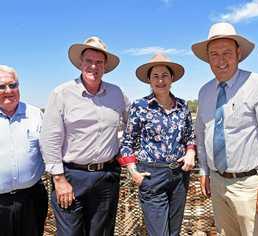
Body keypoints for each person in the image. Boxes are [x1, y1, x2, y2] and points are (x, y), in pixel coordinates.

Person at [192, 22, 258, 235]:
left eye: (227, 52)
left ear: (238, 53)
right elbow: (202, 133)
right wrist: (205, 170)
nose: (221, 60)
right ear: (208, 59)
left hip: (250, 185)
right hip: (217, 182)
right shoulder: (205, 92)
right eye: (214, 54)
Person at [40, 36, 128, 236]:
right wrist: (59, 180)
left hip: (106, 176)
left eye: (99, 62)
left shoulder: (117, 94)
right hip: (72, 177)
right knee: (70, 233)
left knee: (102, 232)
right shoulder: (61, 94)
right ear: (80, 63)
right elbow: (50, 138)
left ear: (105, 66)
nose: (93, 66)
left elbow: (131, 125)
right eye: (89, 61)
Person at [117, 52, 196, 236]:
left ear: (172, 78)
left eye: (164, 75)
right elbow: (127, 142)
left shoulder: (182, 106)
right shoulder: (140, 106)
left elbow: (189, 137)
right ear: (149, 80)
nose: (160, 80)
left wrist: (191, 152)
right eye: (155, 76)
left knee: (174, 231)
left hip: (179, 175)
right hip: (151, 174)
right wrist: (133, 171)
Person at [0, 65, 48, 236]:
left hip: (32, 199)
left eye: (13, 85)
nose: (8, 91)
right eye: (1, 86)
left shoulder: (35, 114)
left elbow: (49, 150)